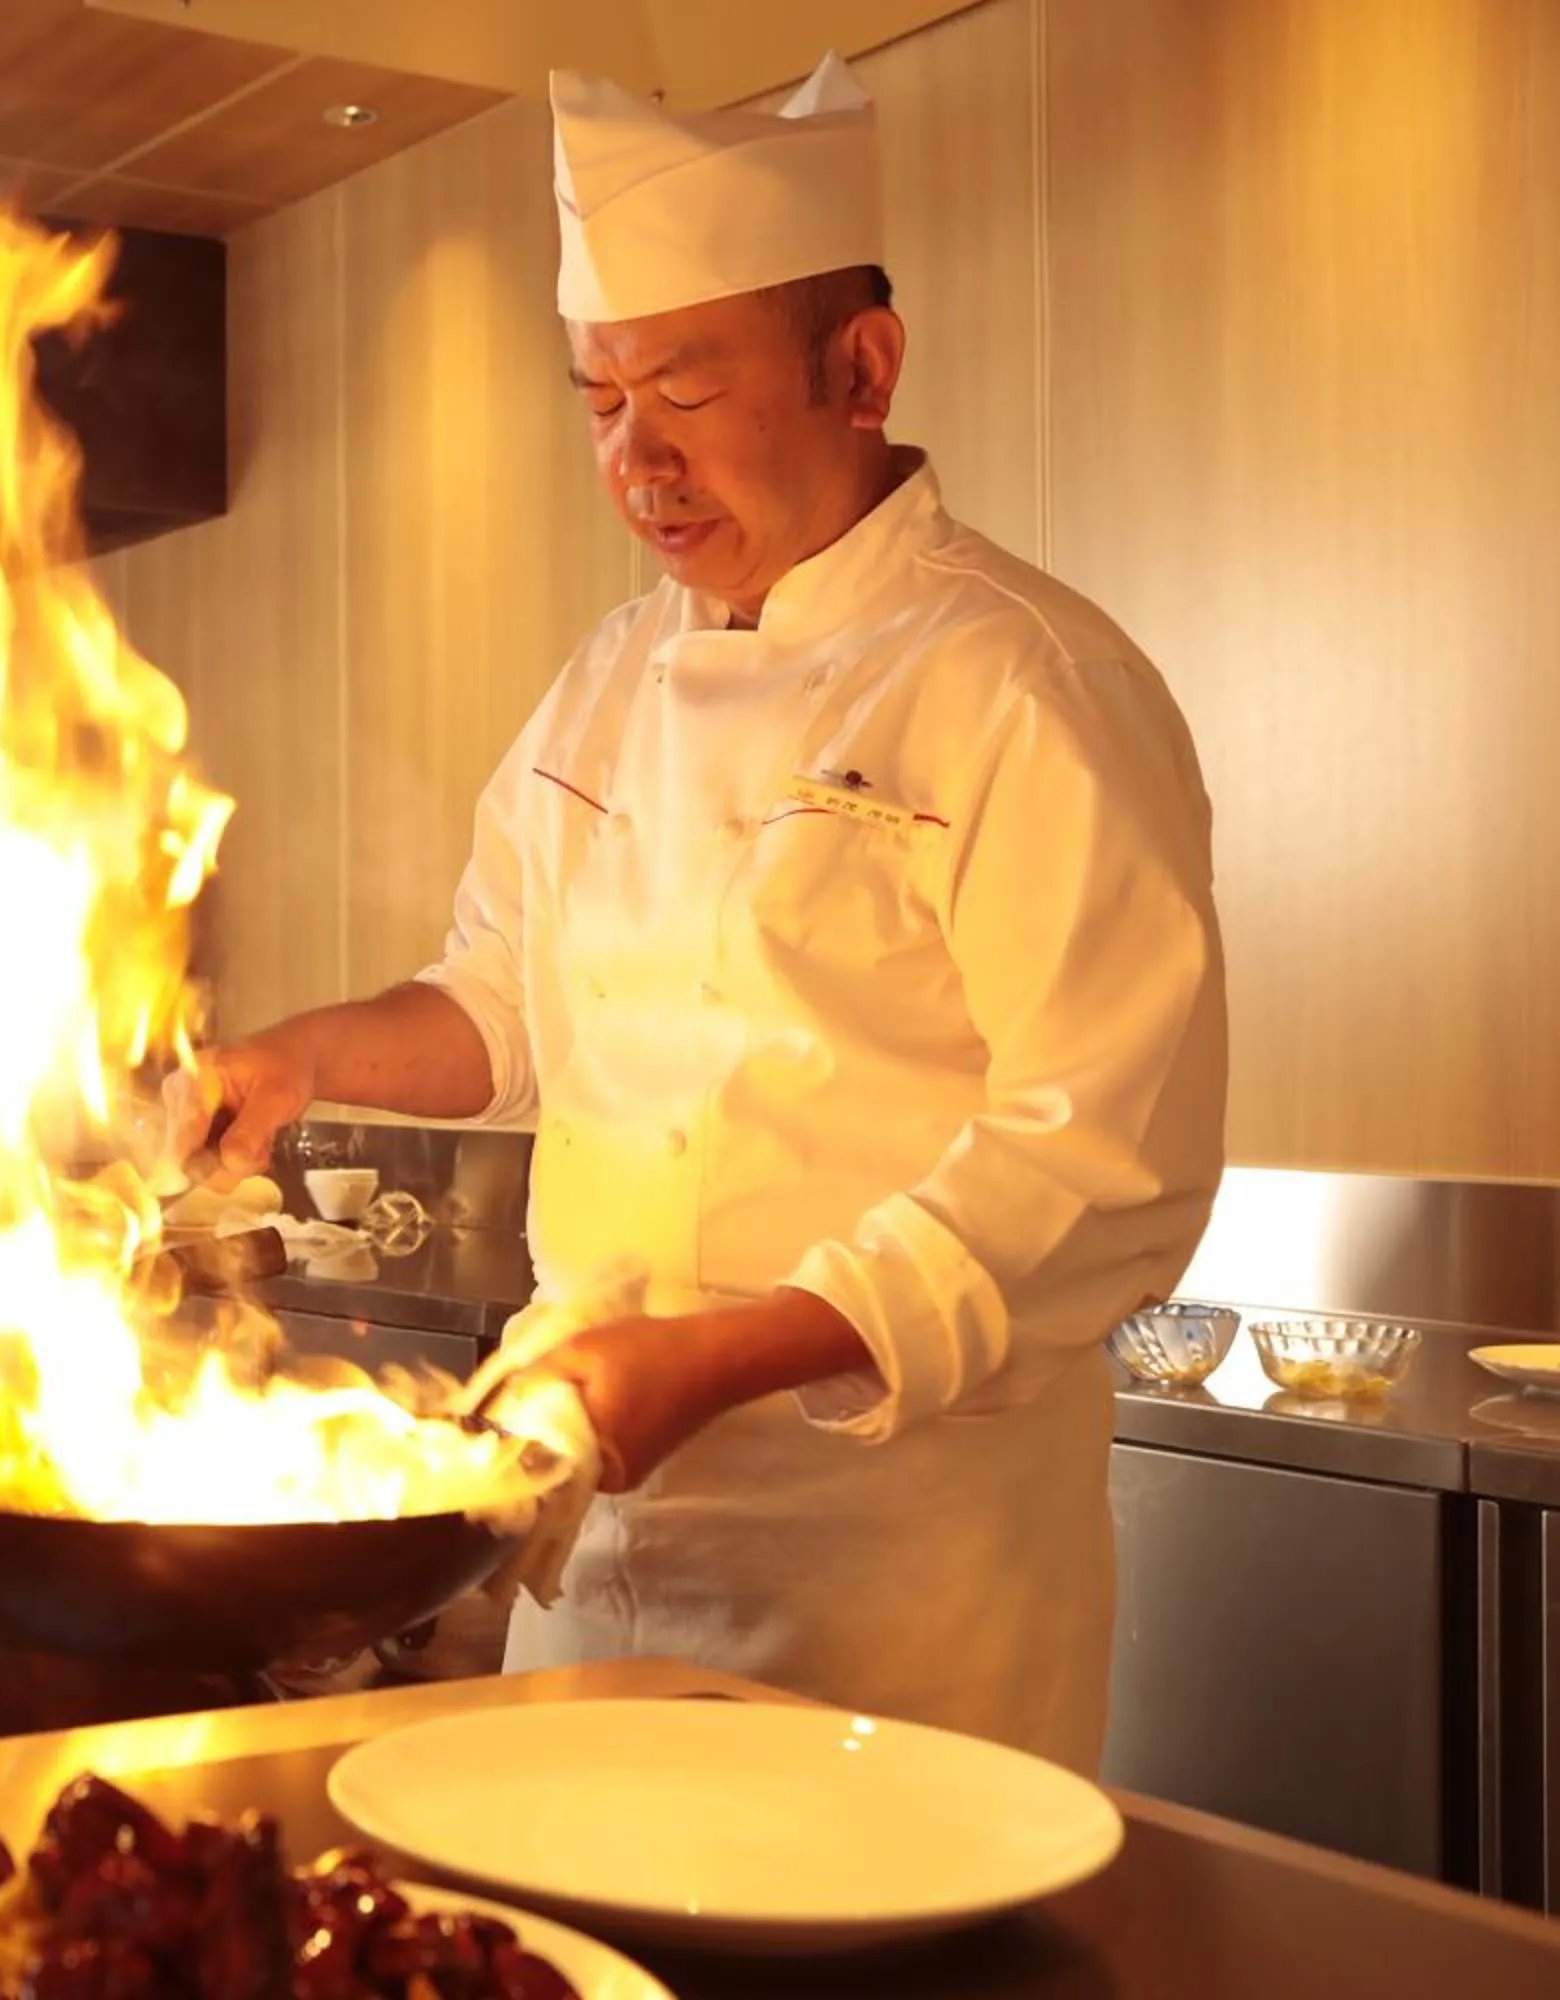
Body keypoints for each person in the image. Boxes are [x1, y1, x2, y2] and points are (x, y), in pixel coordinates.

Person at [175, 55, 1227, 1770]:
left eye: (682, 386)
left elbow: (1098, 1167)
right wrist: (299, 1057)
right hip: (588, 1557)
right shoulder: (606, 677)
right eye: (598, 398)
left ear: (861, 367)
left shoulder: (1024, 684)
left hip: (895, 1599)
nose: (635, 458)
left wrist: (718, 1359)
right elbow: (506, 997)